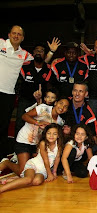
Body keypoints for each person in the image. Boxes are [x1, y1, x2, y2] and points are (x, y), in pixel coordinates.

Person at [0, 98, 69, 176]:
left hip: (37, 145)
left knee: (35, 170)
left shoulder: (60, 122)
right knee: (22, 172)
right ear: (56, 103)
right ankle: (6, 162)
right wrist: (38, 122)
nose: (62, 107)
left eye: (65, 106)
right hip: (24, 140)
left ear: (66, 110)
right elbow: (24, 116)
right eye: (61, 103)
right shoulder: (44, 108)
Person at [0, 25, 34, 161]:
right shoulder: (1, 43)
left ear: (23, 38)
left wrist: (51, 55)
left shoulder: (24, 54)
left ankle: (1, 156)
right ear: (9, 35)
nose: (16, 36)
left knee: (3, 126)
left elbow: (39, 63)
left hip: (8, 94)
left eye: (19, 34)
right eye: (13, 33)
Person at [0, 124, 63, 193]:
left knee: (37, 182)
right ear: (45, 134)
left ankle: (15, 179)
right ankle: (2, 189)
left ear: (58, 135)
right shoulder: (43, 143)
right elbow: (45, 160)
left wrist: (54, 172)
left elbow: (57, 158)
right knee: (28, 179)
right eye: (49, 133)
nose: (51, 136)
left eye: (54, 134)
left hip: (43, 171)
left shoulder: (58, 145)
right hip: (33, 165)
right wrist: (49, 174)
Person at [15, 42, 59, 137]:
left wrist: (44, 99)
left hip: (41, 103)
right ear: (33, 53)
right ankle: (17, 147)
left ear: (45, 55)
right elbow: (17, 83)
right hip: (25, 100)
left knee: (39, 126)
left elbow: (51, 87)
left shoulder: (48, 69)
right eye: (37, 50)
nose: (39, 52)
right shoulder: (25, 66)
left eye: (42, 51)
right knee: (20, 123)